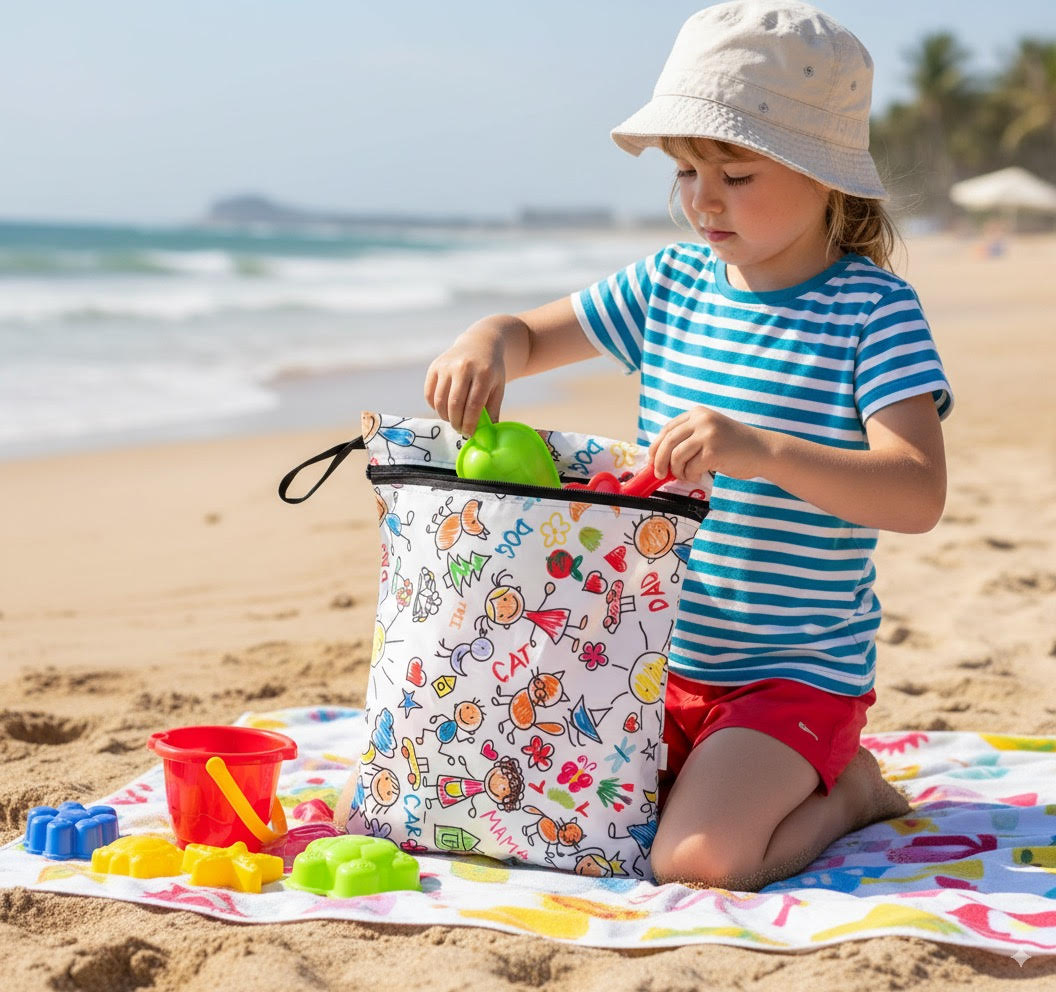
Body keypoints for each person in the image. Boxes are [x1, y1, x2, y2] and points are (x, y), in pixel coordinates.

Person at [423, 0, 952, 890]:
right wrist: (487, 337)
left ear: (827, 175)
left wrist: (761, 449)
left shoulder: (874, 313)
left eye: (736, 174)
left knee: (694, 863)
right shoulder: (671, 282)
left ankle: (850, 789)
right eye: (686, 171)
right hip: (648, 658)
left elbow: (916, 493)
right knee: (517, 803)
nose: (703, 199)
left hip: (791, 676)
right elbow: (528, 334)